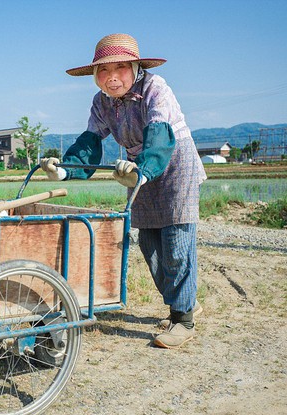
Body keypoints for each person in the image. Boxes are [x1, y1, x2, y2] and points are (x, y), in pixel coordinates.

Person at [41, 33, 206, 349]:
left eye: (120, 67)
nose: (111, 77)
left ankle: (183, 318)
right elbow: (90, 142)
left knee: (176, 241)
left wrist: (142, 172)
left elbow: (159, 136)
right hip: (135, 168)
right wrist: (63, 169)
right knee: (149, 243)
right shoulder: (101, 102)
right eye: (103, 70)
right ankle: (186, 302)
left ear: (135, 67)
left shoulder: (156, 89)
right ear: (95, 75)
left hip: (173, 162)